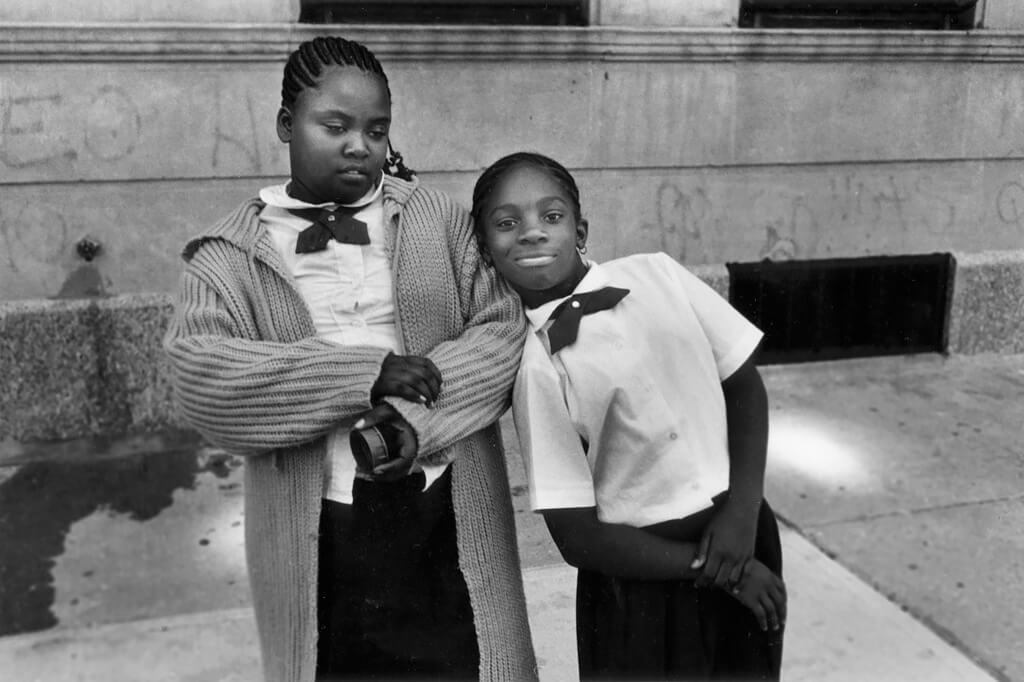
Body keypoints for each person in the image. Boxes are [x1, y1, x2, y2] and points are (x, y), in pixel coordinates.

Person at [163, 37, 537, 682]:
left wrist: (411, 422)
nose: (358, 144)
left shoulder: (437, 220)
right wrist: (361, 375)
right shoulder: (227, 254)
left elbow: (502, 329)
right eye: (333, 125)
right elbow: (201, 377)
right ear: (286, 125)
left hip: (445, 505)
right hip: (321, 527)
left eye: (376, 128)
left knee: (466, 660)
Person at [470, 152, 786, 680]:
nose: (531, 233)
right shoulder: (537, 370)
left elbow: (744, 385)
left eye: (551, 216)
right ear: (485, 250)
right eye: (507, 223)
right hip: (643, 586)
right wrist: (720, 573)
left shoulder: (658, 274)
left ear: (581, 229)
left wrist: (743, 513)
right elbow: (578, 537)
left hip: (745, 533)